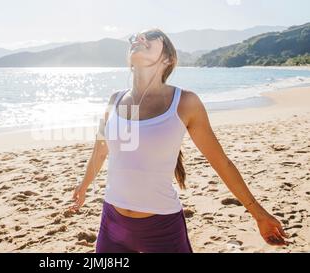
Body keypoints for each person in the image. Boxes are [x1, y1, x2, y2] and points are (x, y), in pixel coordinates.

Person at [69, 28, 288, 253]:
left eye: (151, 37)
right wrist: (83, 186)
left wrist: (258, 213)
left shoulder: (185, 103)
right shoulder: (114, 100)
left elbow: (221, 162)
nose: (139, 39)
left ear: (169, 59)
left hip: (162, 227)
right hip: (113, 224)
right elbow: (100, 151)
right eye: (134, 38)